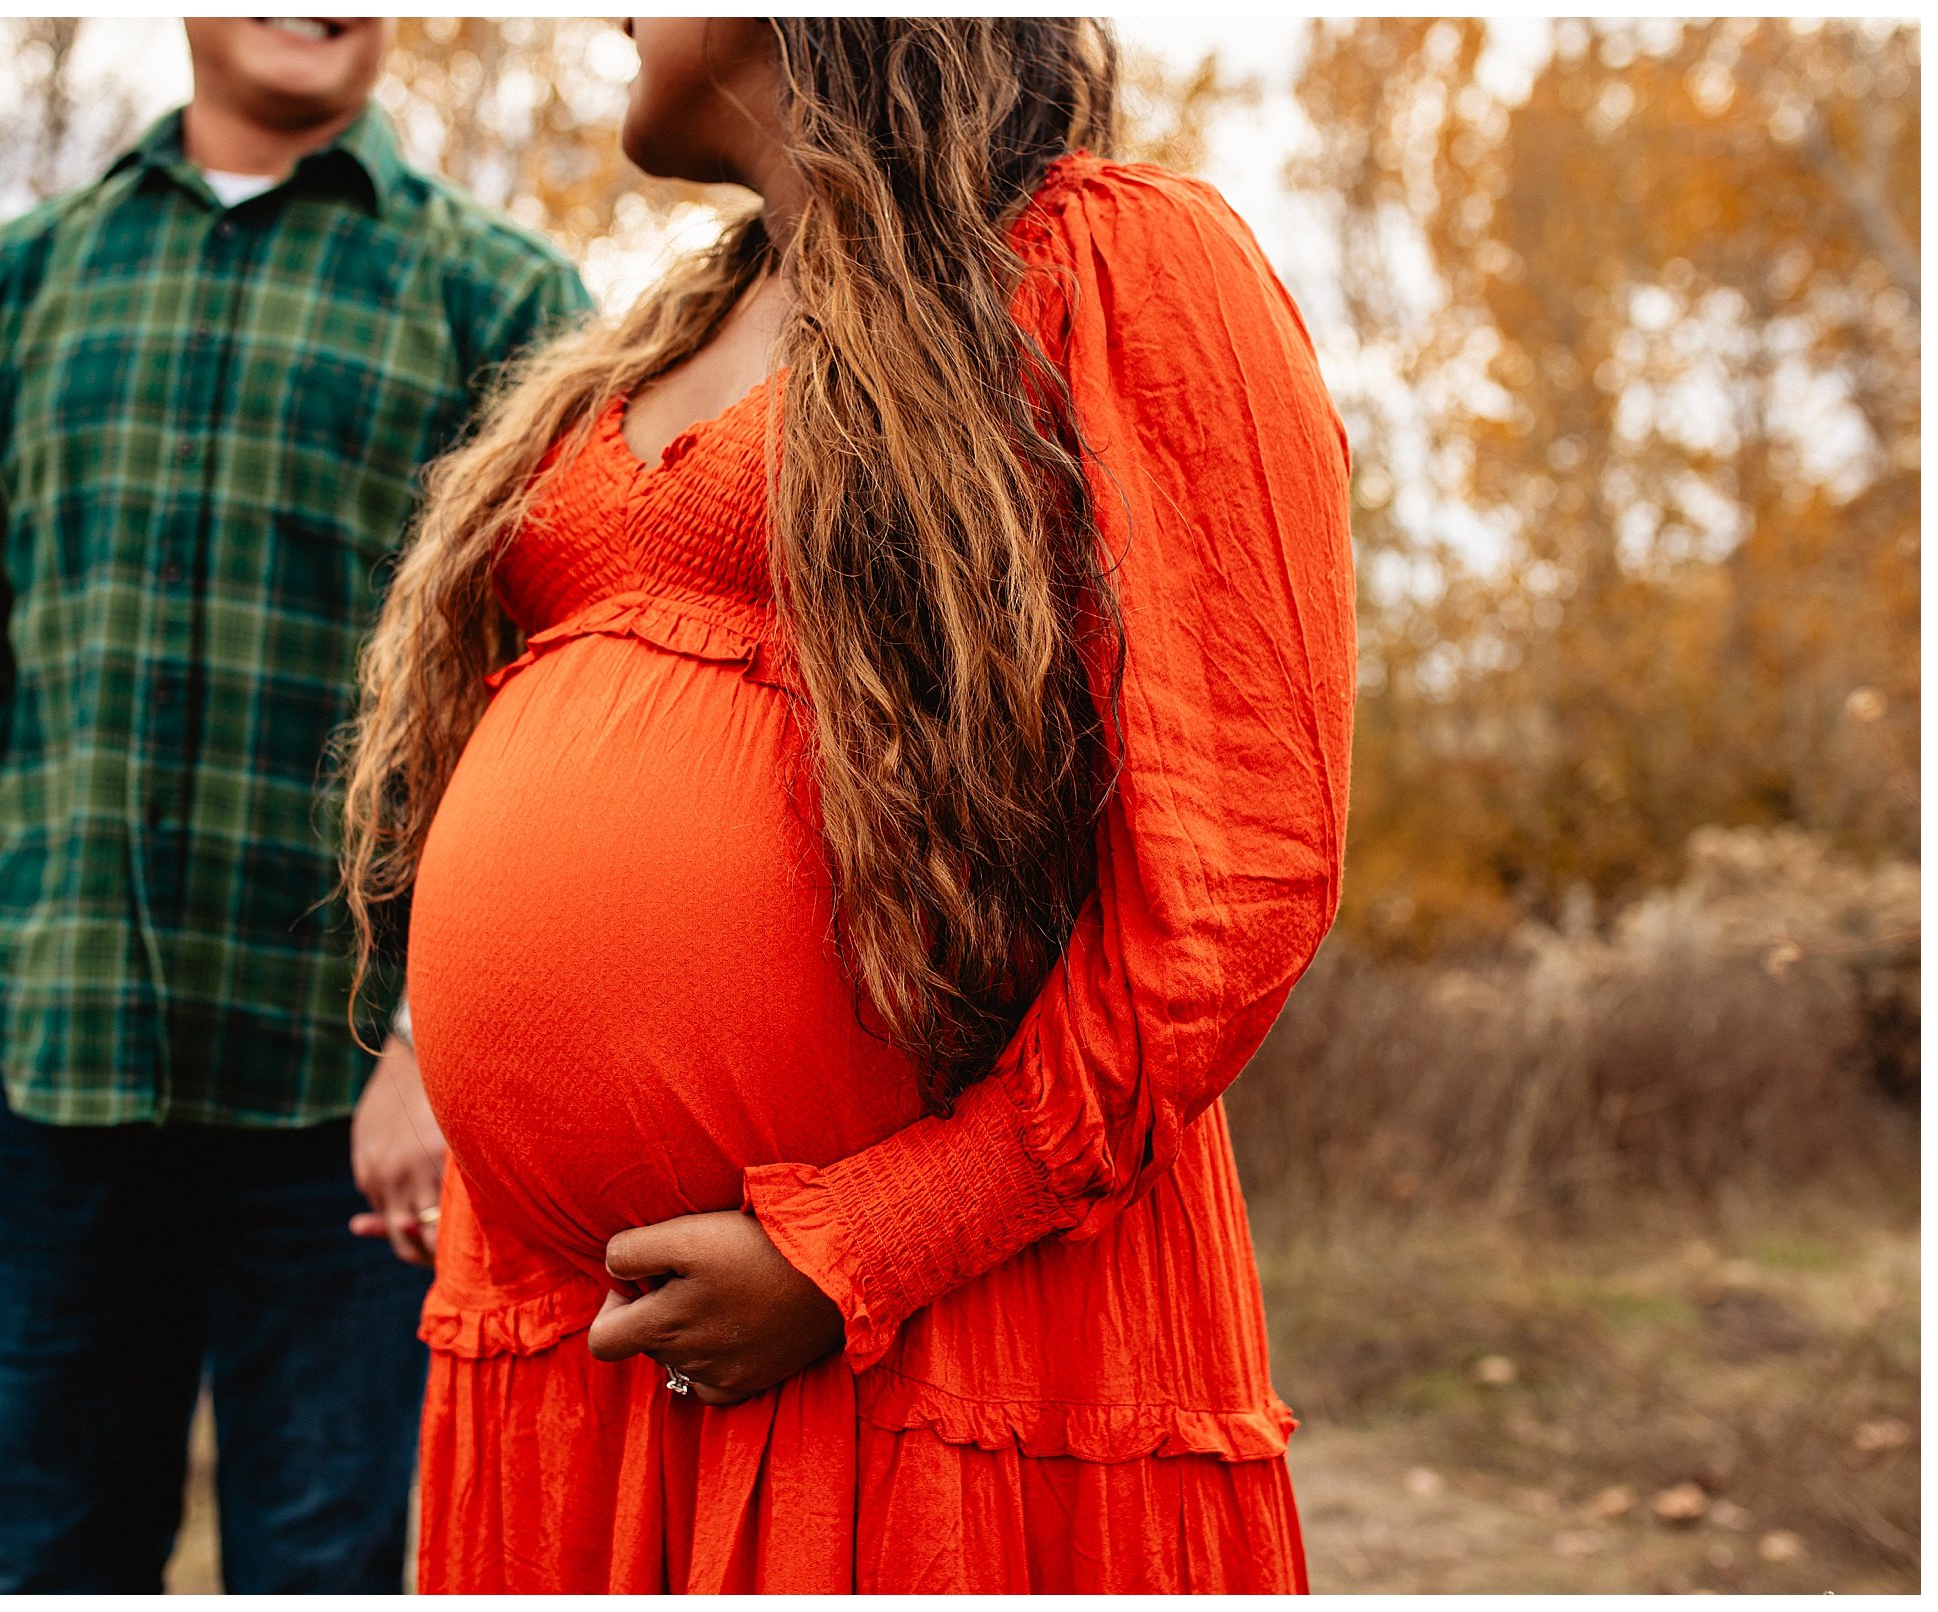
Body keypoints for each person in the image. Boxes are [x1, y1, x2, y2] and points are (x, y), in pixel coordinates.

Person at [338, 16, 1355, 1594]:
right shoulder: (676, 318)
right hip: (569, 1337)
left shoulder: (1106, 260)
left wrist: (863, 1246)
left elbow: (1235, 880)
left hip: (933, 1331)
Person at [0, 17, 589, 1593]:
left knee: (329, 1572)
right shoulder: (19, 281)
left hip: (351, 1114)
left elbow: (548, 697)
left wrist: (436, 1045)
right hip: (61, 1081)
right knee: (53, 1556)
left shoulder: (502, 300)